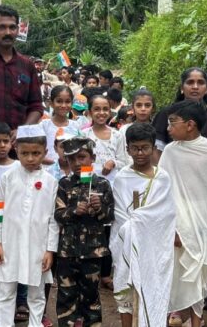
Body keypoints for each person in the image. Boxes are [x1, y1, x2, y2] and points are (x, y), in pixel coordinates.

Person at [158, 101, 207, 327]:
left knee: (199, 276)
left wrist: (205, 223)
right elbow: (164, 190)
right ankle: (175, 314)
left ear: (190, 125)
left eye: (172, 123)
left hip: (204, 223)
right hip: (177, 223)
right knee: (177, 273)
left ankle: (196, 320)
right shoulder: (169, 151)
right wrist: (174, 226)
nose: (168, 128)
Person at [0, 124, 59, 327]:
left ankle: (35, 324)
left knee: (36, 292)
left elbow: (54, 220)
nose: (30, 158)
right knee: (6, 291)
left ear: (45, 153)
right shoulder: (7, 177)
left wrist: (50, 250)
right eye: (25, 153)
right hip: (9, 242)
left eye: (36, 153)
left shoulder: (51, 181)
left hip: (38, 245)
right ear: (16, 150)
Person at [110, 123, 176, 327]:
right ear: (127, 148)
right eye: (135, 148)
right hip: (127, 244)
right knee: (127, 295)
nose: (140, 153)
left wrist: (141, 221)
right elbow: (121, 216)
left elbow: (166, 214)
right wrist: (138, 223)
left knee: (154, 289)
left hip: (155, 246)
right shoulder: (121, 178)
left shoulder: (162, 178)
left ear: (153, 148)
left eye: (145, 148)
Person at [54, 137, 115, 327]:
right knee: (66, 296)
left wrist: (99, 208)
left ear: (93, 158)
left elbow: (109, 218)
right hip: (68, 251)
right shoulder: (64, 184)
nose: (77, 163)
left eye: (82, 157)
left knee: (91, 296)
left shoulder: (102, 185)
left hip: (93, 252)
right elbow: (58, 214)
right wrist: (74, 211)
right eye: (72, 159)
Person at [83, 93, 128, 290]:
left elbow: (125, 161)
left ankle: (106, 273)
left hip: (112, 189)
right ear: (89, 112)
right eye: (97, 109)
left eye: (105, 109)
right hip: (91, 188)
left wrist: (113, 162)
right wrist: (85, 185)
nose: (101, 113)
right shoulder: (85, 135)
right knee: (93, 227)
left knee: (109, 228)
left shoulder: (117, 135)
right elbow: (81, 162)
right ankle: (90, 270)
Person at [0, 5, 44, 130]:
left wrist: (22, 131)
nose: (8, 32)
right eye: (2, 27)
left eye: (12, 27)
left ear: (17, 30)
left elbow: (36, 106)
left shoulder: (27, 65)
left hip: (19, 144)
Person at [153, 67, 207, 151]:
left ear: (206, 89)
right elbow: (156, 150)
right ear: (182, 88)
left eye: (200, 83)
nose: (195, 87)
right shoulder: (167, 113)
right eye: (190, 82)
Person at [42, 86, 81, 179]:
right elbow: (37, 152)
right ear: (51, 103)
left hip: (73, 174)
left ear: (72, 103)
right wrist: (57, 163)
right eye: (59, 101)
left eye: (67, 101)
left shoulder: (76, 126)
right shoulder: (44, 126)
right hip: (47, 173)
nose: (63, 105)